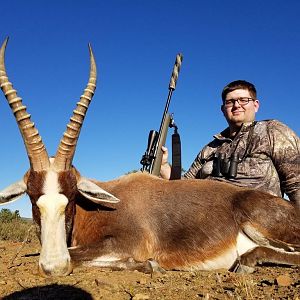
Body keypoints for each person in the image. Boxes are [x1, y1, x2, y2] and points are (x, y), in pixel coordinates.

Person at [160, 80, 300, 207]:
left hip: (256, 226)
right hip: (202, 224)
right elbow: (183, 185)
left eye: (243, 100)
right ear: (223, 110)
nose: (236, 105)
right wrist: (163, 165)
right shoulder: (211, 148)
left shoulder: (272, 131)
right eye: (230, 102)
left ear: (256, 105)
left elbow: (296, 185)